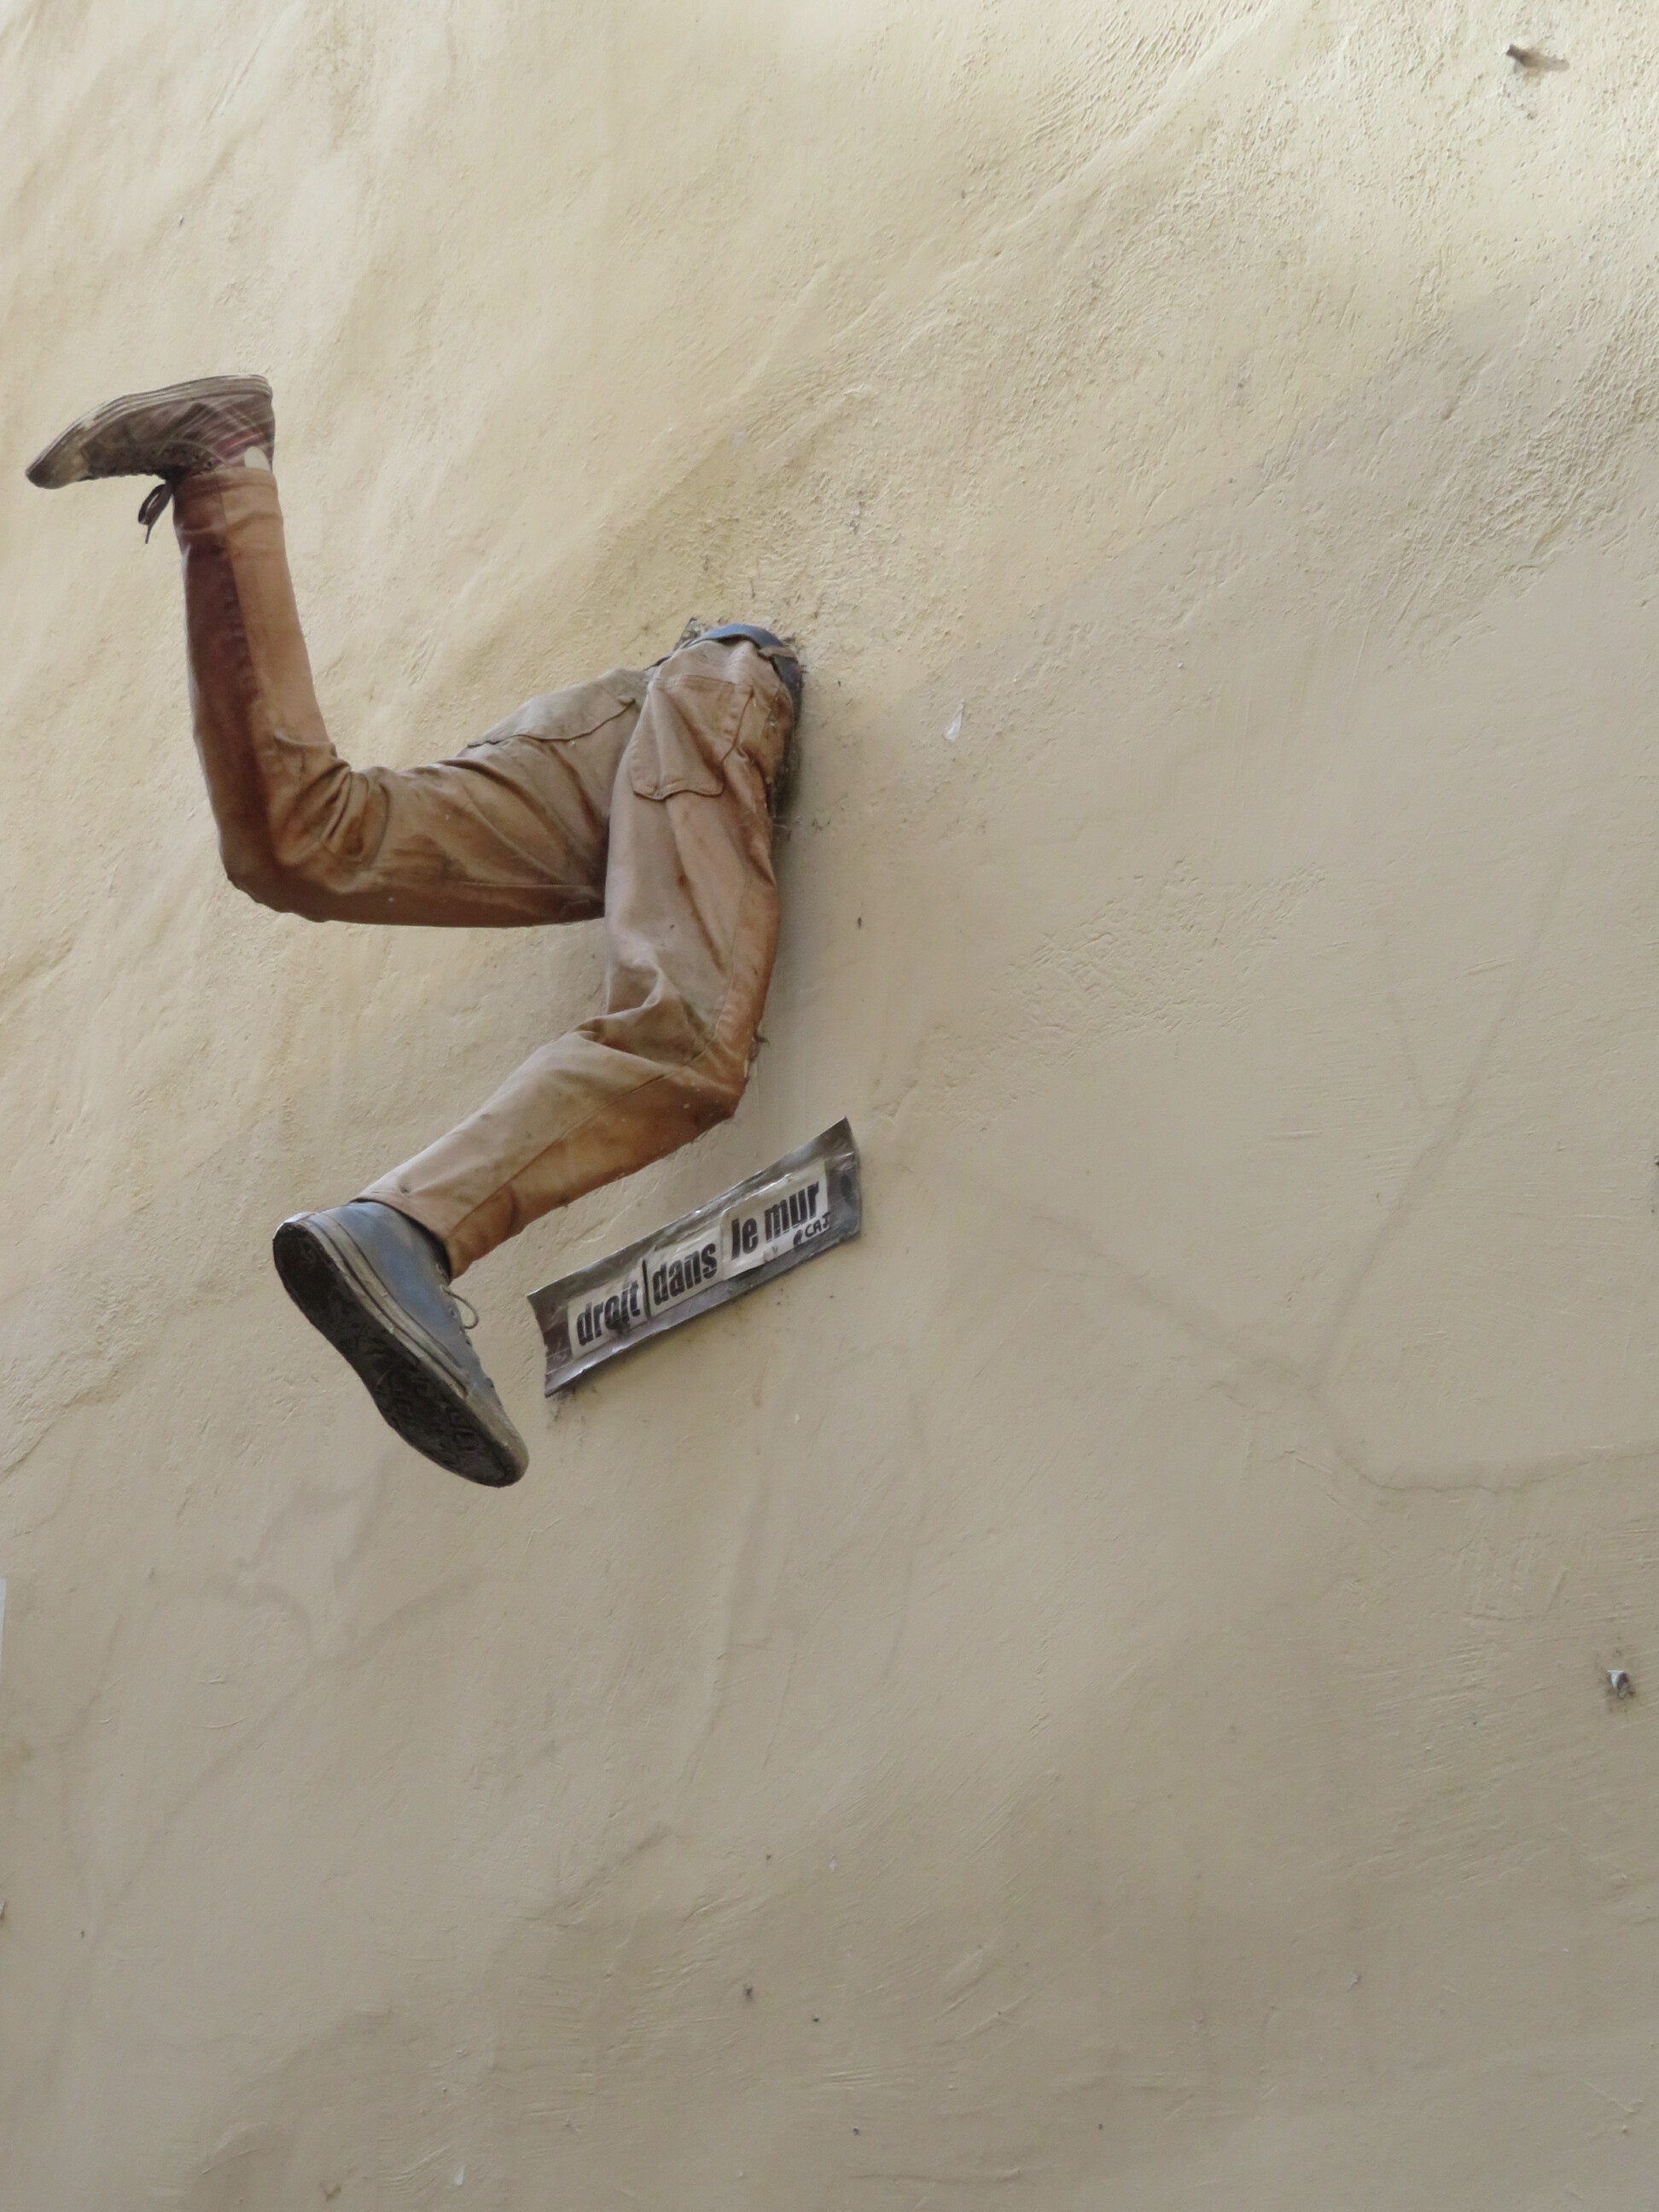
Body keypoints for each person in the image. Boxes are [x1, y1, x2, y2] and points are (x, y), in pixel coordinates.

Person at [26, 376, 801, 1489]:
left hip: (666, 707)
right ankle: (410, 1230)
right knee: (683, 1038)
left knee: (314, 840)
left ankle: (220, 468)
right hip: (703, 708)